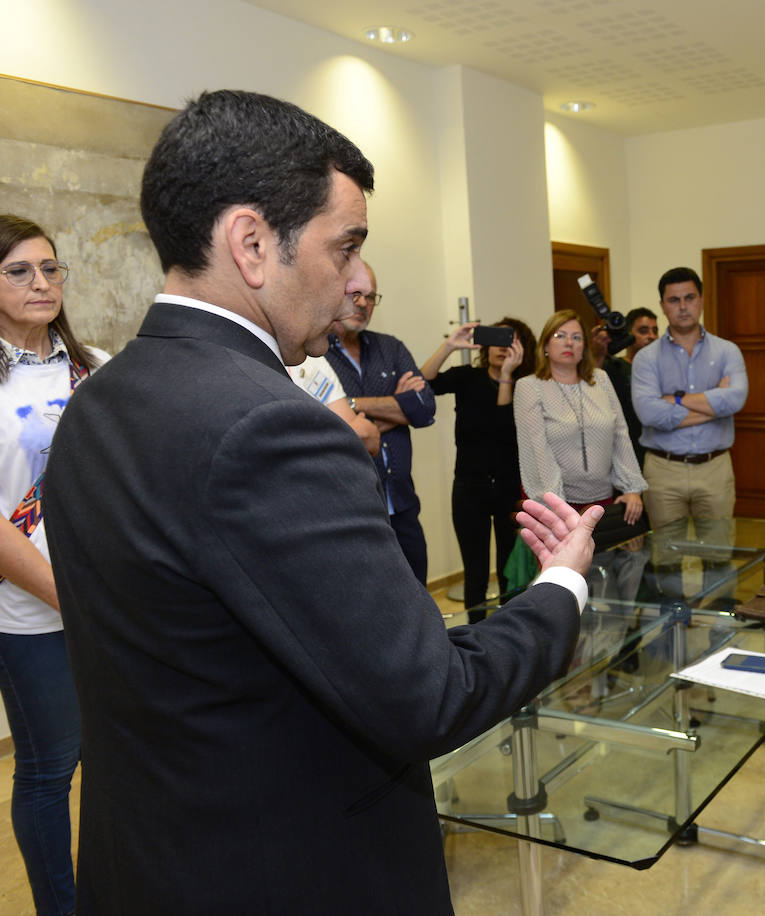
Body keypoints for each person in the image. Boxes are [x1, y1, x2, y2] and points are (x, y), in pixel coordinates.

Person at [42, 89, 602, 916]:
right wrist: (560, 587)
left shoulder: (97, 399)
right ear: (252, 244)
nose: (351, 285)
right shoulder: (271, 428)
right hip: (286, 871)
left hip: (148, 862)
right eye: (344, 249)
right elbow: (431, 696)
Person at [0, 214, 107, 916]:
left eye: (50, 268)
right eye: (19, 271)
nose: (41, 282)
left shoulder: (94, 364)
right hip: (28, 614)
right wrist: (72, 598)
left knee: (116, 761)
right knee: (49, 769)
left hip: (109, 601)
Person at [326, 263, 436, 584]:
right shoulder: (314, 354)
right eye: (355, 294)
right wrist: (397, 405)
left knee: (419, 594)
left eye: (371, 296)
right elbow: (328, 427)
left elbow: (424, 410)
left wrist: (351, 406)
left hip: (403, 506)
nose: (363, 303)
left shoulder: (391, 348)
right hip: (350, 513)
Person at [421, 316, 535, 618]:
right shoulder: (467, 378)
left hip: (511, 489)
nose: (503, 347)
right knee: (475, 574)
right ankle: (474, 634)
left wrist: (507, 377)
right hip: (470, 488)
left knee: (510, 571)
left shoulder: (528, 387)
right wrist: (449, 345)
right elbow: (422, 385)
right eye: (497, 339)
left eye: (511, 340)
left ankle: (510, 632)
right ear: (485, 344)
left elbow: (504, 430)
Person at [630, 267, 747, 525]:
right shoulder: (646, 358)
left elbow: (736, 400)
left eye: (690, 298)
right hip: (663, 470)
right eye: (674, 300)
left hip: (715, 468)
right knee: (665, 549)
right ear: (662, 305)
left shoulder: (728, 351)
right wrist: (715, 405)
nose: (683, 307)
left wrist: (674, 399)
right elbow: (649, 413)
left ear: (702, 300)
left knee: (718, 548)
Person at [515, 310, 647, 522]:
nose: (569, 343)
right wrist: (557, 507)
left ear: (584, 347)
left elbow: (620, 435)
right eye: (560, 336)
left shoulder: (600, 379)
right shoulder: (529, 386)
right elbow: (536, 450)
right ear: (545, 345)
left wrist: (631, 488)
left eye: (576, 337)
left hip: (602, 500)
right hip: (554, 504)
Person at [290, 352, 381, 454]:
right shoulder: (274, 371)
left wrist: (328, 439)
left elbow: (365, 438)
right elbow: (289, 448)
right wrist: (345, 435)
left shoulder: (311, 358)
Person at [589, 321, 643, 467]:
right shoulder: (613, 366)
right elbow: (592, 391)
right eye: (643, 331)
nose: (650, 336)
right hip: (621, 446)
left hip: (650, 448)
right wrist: (597, 355)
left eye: (655, 331)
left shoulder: (659, 368)